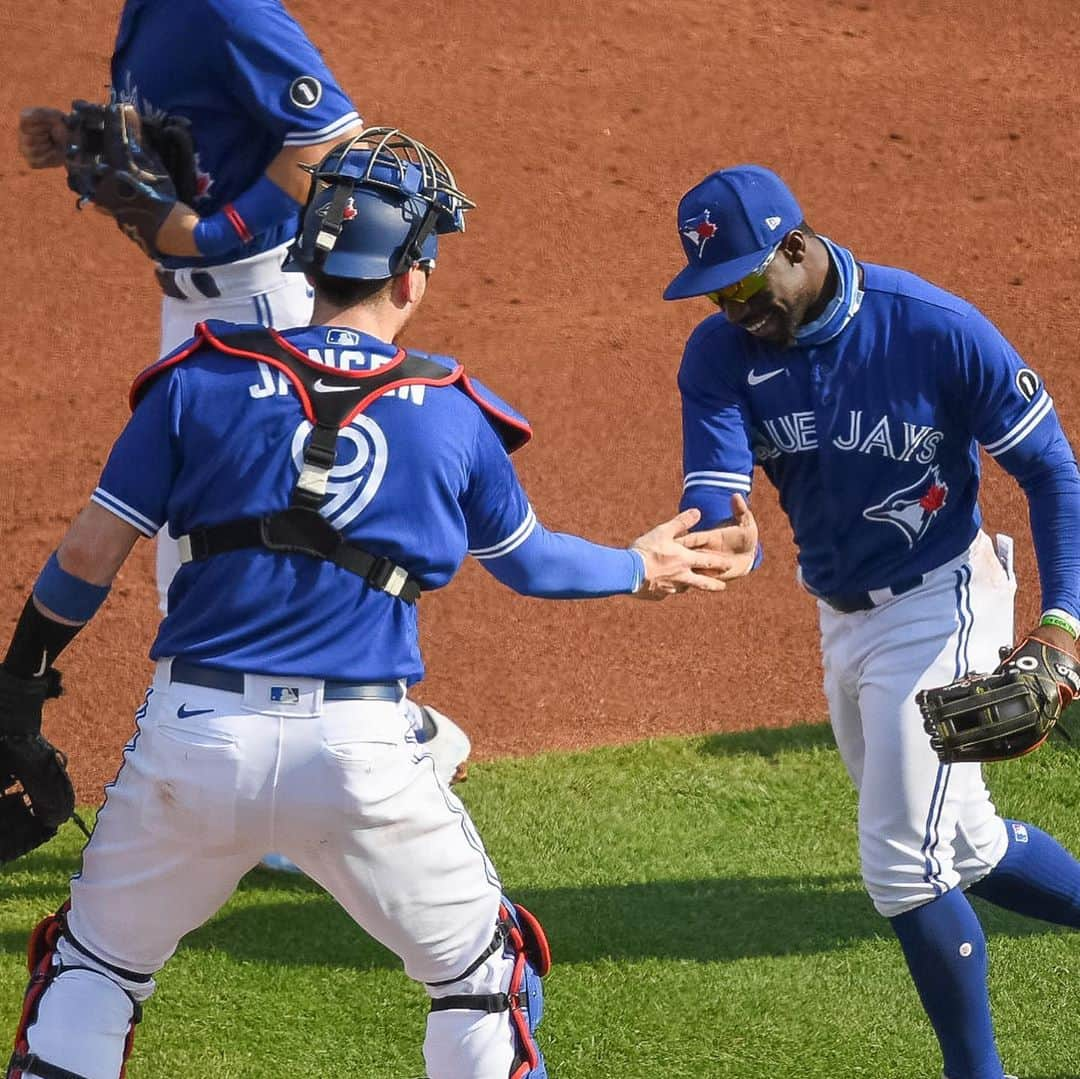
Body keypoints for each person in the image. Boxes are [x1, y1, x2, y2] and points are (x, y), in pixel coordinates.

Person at [0, 127, 726, 1079]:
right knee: (480, 978)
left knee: (92, 969)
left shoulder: (198, 381)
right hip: (361, 755)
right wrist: (638, 566)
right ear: (413, 276)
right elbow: (535, 565)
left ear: (306, 260)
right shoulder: (454, 411)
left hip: (193, 740)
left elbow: (85, 558)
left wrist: (19, 684)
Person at [17, 0, 472, 858]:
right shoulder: (149, 11)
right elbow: (198, 139)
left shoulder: (226, 9)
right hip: (197, 306)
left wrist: (208, 229)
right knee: (189, 559)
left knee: (242, 547)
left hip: (264, 294)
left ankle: (384, 746)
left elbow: (334, 143)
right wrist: (69, 135)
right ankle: (381, 742)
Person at [662, 164, 1080, 1079]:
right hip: (841, 617)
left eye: (742, 280)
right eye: (712, 289)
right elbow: (719, 489)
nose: (733, 305)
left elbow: (1052, 469)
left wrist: (1061, 622)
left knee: (903, 863)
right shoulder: (720, 354)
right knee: (962, 842)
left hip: (944, 602)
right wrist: (727, 537)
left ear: (797, 246)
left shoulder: (932, 328)